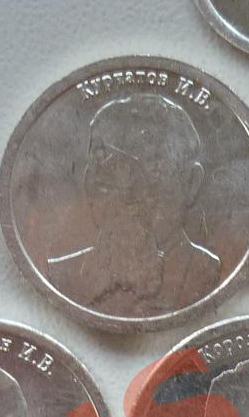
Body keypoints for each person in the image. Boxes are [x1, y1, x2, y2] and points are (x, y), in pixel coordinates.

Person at [46, 92, 221, 314]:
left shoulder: (205, 273)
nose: (125, 188)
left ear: (191, 184)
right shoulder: (62, 275)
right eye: (104, 163)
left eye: (152, 166)